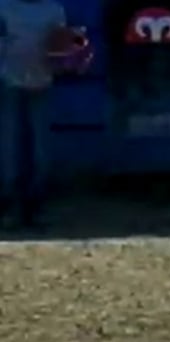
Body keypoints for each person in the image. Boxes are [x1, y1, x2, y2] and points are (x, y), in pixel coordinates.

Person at [0, 0, 78, 227]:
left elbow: (63, 49)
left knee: (40, 148)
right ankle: (11, 204)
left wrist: (66, 58)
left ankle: (37, 204)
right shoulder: (4, 6)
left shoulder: (54, 10)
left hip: (42, 84)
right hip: (8, 83)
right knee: (9, 145)